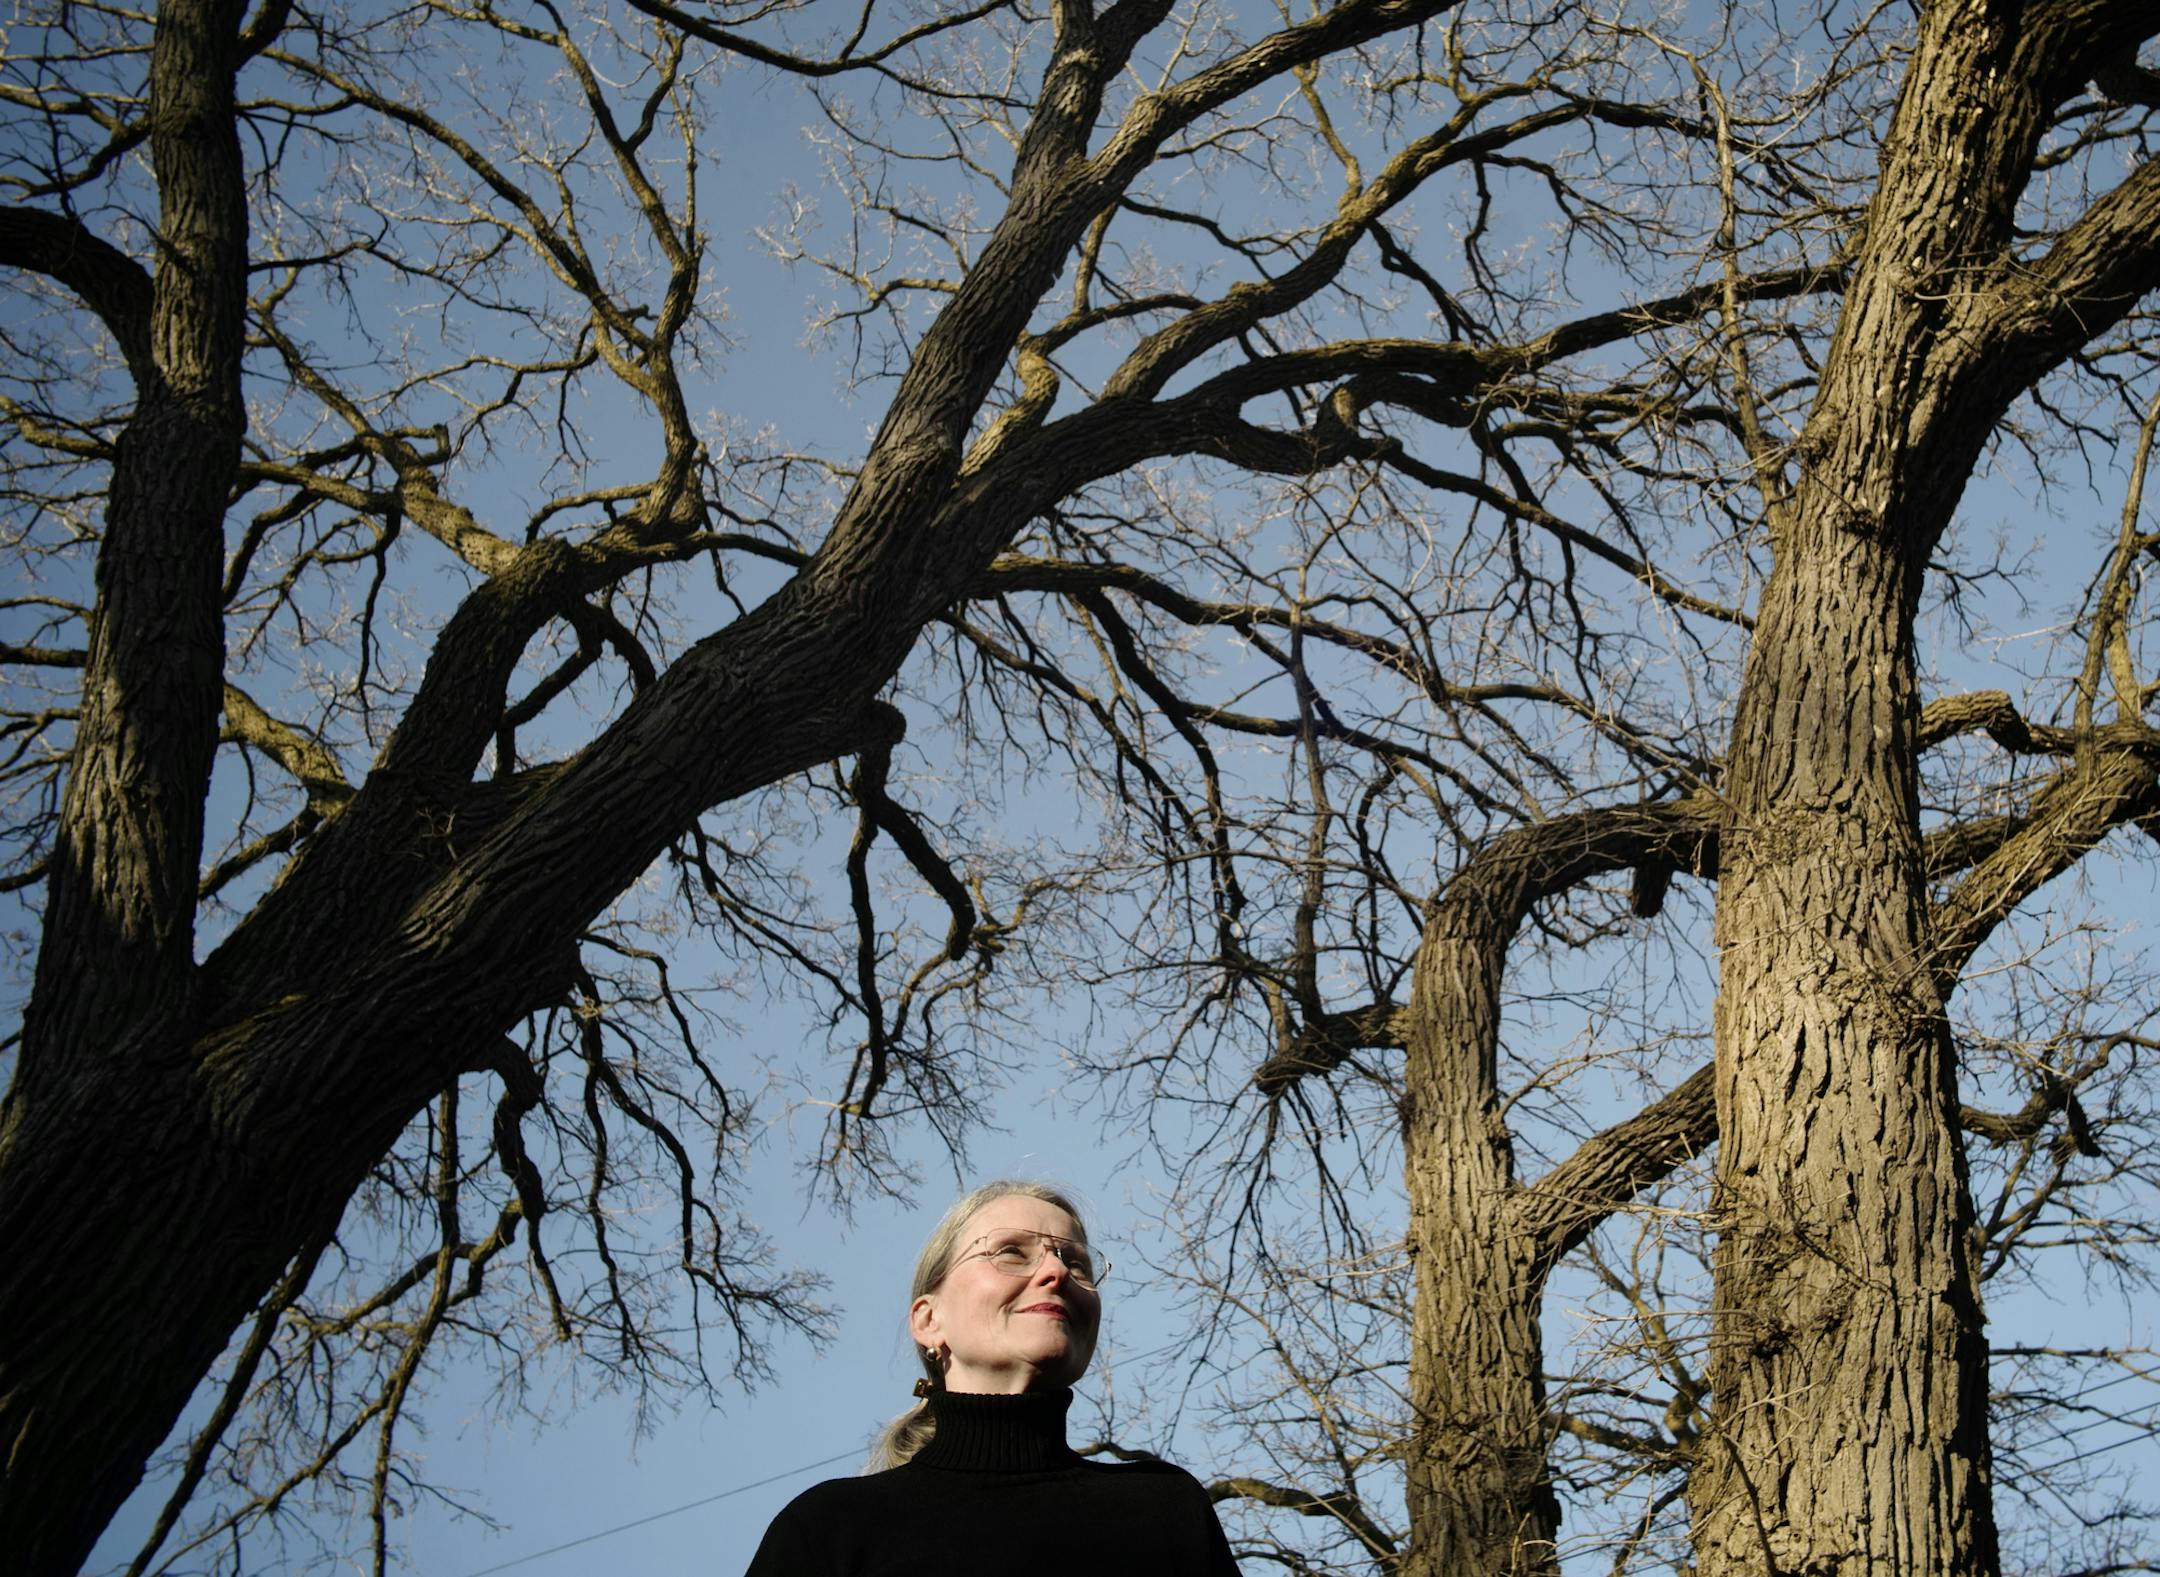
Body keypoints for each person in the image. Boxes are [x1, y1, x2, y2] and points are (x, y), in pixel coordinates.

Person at [745, 1181, 1241, 1574]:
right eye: (1010, 1252)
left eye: (1076, 1262)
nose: (1056, 1272)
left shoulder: (1165, 1509)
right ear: (928, 1320)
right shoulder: (829, 1527)